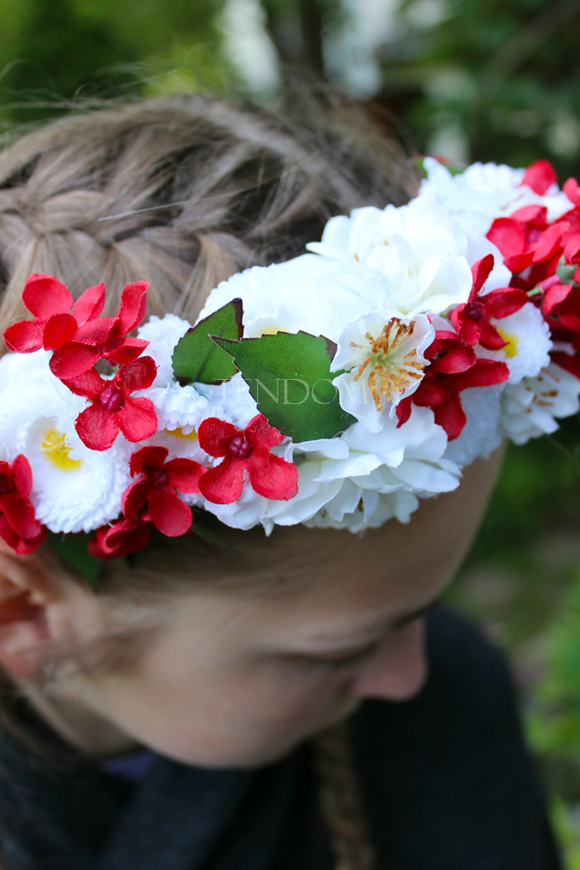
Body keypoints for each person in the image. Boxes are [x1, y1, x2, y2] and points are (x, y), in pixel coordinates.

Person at [0, 93, 565, 870]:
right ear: (22, 609)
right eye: (338, 653)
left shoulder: (447, 714)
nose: (412, 678)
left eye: (423, 614)